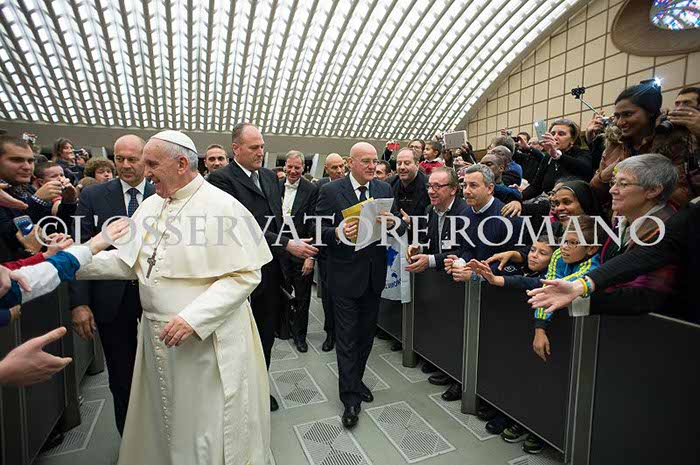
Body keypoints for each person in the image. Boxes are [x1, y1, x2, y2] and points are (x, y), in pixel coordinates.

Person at [75, 130, 273, 465]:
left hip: (205, 341)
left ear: (181, 164)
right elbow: (128, 262)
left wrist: (194, 318)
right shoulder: (151, 205)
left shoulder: (223, 207)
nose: (146, 171)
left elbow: (245, 274)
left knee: (202, 424)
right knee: (164, 418)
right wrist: (73, 262)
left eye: (152, 164)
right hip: (155, 338)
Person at [208, 123, 317, 412]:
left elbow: (276, 220)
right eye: (254, 147)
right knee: (239, 339)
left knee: (265, 336)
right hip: (240, 274)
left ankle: (259, 389)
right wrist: (287, 244)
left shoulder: (269, 176)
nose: (260, 152)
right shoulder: (221, 180)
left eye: (262, 146)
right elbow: (239, 226)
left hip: (270, 272)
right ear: (236, 149)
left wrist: (290, 245)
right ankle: (237, 397)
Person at [68, 135, 155, 436]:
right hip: (110, 301)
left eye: (133, 159)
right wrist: (79, 302)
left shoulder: (163, 194)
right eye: (120, 159)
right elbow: (79, 248)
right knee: (121, 375)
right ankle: (130, 441)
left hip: (155, 297)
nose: (126, 165)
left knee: (161, 372)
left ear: (146, 159)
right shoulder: (93, 196)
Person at [316, 141, 405, 428]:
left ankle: (356, 380)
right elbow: (317, 229)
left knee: (366, 337)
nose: (371, 165)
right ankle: (350, 398)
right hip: (343, 277)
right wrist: (337, 232)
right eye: (365, 161)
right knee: (347, 339)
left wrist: (393, 224)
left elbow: (401, 225)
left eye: (374, 161)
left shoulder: (384, 189)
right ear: (350, 163)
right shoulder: (331, 191)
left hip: (374, 276)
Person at [588, 83, 693, 210]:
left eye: (628, 114)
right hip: (620, 219)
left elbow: (683, 195)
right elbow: (594, 195)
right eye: (617, 116)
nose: (620, 122)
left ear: (650, 112)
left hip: (662, 218)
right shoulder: (614, 146)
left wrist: (639, 182)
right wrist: (603, 176)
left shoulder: (673, 144)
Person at [279, 151, 318, 353]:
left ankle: (300, 336)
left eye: (297, 167)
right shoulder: (275, 185)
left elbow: (314, 224)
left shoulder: (312, 190)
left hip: (302, 250)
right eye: (290, 166)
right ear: (285, 166)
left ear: (304, 168)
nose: (293, 171)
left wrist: (311, 256)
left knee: (302, 297)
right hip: (279, 250)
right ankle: (284, 329)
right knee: (280, 293)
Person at [316, 152, 347, 350]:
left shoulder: (351, 186)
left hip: (349, 252)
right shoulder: (320, 187)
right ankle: (330, 334)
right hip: (327, 252)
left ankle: (345, 334)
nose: (339, 171)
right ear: (326, 169)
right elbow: (315, 221)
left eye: (341, 166)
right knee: (328, 297)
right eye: (334, 168)